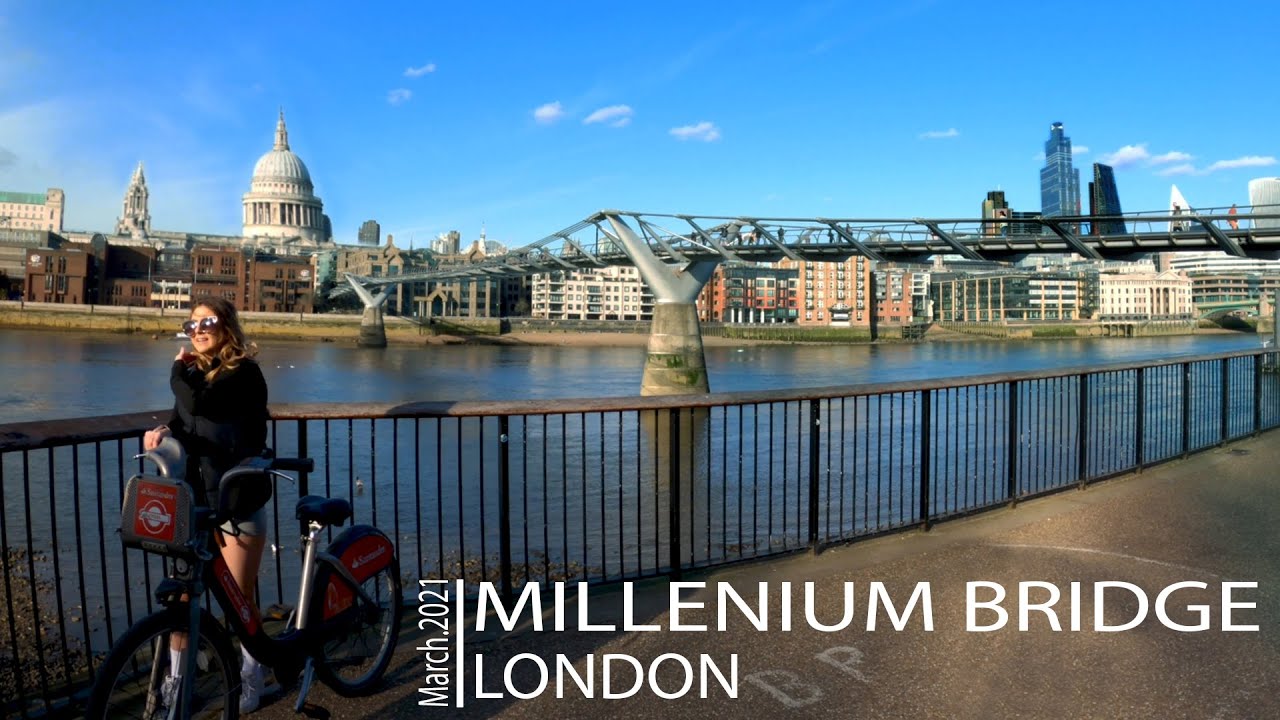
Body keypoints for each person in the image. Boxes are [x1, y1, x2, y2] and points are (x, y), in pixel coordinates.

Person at [143, 296, 273, 713]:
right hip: (198, 506)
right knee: (183, 599)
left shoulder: (244, 375)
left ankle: (252, 677)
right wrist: (164, 429)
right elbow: (186, 417)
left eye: (206, 322)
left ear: (227, 326)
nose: (197, 330)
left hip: (237, 503)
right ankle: (176, 685)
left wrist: (176, 369)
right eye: (191, 324)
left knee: (239, 599)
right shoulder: (198, 375)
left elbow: (202, 403)